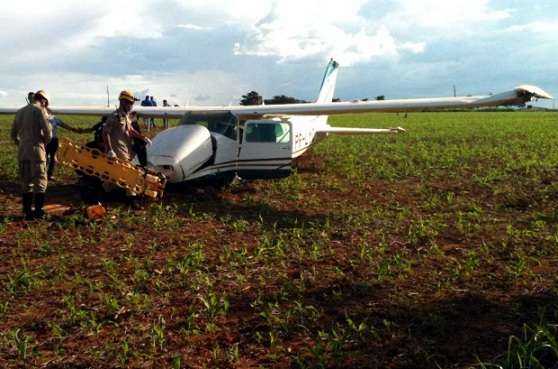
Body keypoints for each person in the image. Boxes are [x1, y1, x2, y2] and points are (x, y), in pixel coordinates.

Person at [10, 90, 52, 219]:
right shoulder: (40, 111)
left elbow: (13, 134)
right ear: (43, 100)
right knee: (40, 182)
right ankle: (38, 212)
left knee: (26, 182)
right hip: (36, 151)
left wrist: (22, 144)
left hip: (23, 151)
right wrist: (42, 144)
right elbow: (48, 134)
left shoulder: (20, 112)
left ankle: (27, 212)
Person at [102, 90, 151, 162]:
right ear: (123, 102)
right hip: (117, 154)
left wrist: (144, 138)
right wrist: (110, 150)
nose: (132, 106)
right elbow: (105, 133)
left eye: (133, 103)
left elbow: (130, 130)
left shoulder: (126, 116)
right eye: (130, 103)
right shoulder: (114, 116)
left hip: (126, 152)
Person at [45, 109, 81, 180]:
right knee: (44, 158)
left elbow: (63, 125)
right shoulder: (42, 118)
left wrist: (73, 129)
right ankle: (42, 174)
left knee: (53, 158)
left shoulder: (55, 118)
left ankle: (49, 175)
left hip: (53, 140)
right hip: (45, 140)